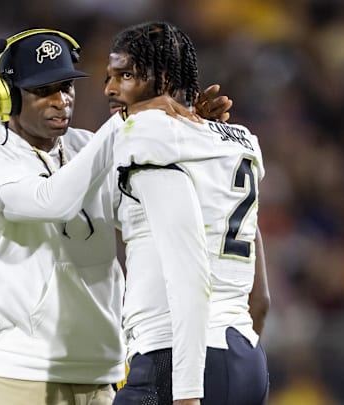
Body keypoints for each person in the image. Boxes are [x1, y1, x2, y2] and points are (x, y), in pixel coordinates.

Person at [0, 28, 229, 405]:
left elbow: (146, 212)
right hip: (13, 373)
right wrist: (129, 120)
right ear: (6, 96)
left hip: (99, 374)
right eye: (42, 90)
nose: (61, 101)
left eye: (66, 87)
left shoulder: (85, 144)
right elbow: (51, 201)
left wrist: (192, 132)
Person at [104, 22, 270, 405]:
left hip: (175, 361)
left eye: (125, 75)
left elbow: (66, 200)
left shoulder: (147, 140)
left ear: (158, 78)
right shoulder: (239, 143)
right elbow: (259, 300)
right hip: (245, 357)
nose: (111, 90)